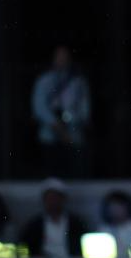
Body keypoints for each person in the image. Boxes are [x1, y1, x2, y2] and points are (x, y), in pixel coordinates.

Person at [31, 46, 91, 178]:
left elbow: (84, 108)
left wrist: (72, 124)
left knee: (75, 175)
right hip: (49, 136)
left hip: (73, 136)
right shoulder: (44, 81)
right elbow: (39, 107)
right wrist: (56, 125)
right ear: (53, 59)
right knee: (52, 175)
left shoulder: (78, 82)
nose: (62, 60)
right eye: (59, 57)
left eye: (65, 57)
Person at [19, 179, 89, 258]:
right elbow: (24, 247)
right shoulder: (34, 224)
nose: (53, 202)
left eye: (56, 198)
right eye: (49, 198)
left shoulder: (76, 223)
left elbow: (84, 248)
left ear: (63, 199)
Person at [99, 190, 131, 258]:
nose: (115, 210)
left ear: (128, 207)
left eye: (119, 206)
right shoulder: (103, 229)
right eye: (112, 207)